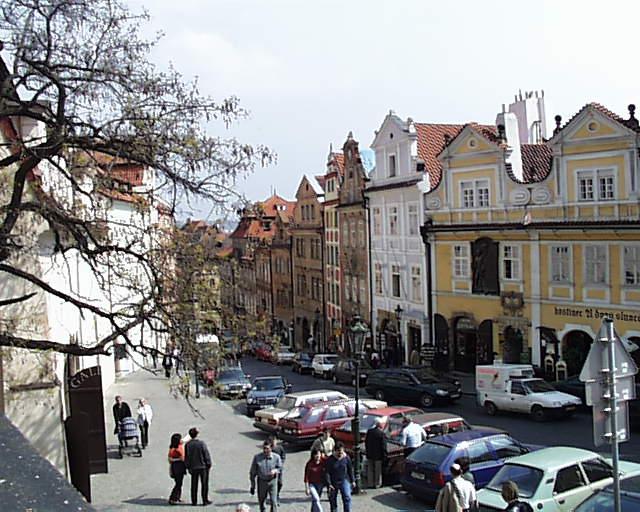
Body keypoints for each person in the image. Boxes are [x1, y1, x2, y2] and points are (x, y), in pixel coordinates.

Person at [250, 440, 282, 512]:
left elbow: (280, 467)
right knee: (262, 502)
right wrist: (253, 486)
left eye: (267, 448)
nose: (265, 450)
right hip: (262, 482)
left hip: (272, 482)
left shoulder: (276, 457)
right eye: (264, 448)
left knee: (273, 502)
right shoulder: (257, 457)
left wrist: (275, 470)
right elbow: (252, 472)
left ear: (271, 448)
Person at [184, 427, 212, 506]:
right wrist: (209, 463)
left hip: (193, 467)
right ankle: (205, 500)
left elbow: (187, 457)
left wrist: (187, 467)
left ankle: (194, 501)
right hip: (203, 466)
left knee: (194, 484)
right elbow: (206, 454)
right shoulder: (201, 443)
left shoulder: (187, 445)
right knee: (204, 484)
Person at [325, 442, 354, 512]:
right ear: (335, 451)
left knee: (347, 497)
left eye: (341, 452)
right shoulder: (330, 460)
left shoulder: (346, 458)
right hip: (333, 481)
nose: (340, 454)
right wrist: (329, 484)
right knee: (332, 499)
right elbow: (327, 472)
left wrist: (352, 480)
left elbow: (350, 469)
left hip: (344, 480)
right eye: (339, 452)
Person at [364, 417, 386, 489]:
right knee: (377, 470)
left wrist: (367, 451)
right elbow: (383, 446)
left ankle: (370, 483)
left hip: (370, 454)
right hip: (378, 455)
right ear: (379, 424)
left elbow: (366, 442)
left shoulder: (369, 432)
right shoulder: (381, 433)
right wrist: (384, 455)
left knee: (370, 470)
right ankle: (377, 484)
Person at [168, 433, 186, 505]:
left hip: (178, 467)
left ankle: (177, 497)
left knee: (179, 483)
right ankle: (172, 498)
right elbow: (170, 459)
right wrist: (179, 459)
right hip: (177, 467)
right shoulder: (174, 449)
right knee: (178, 483)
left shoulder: (178, 446)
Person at [268, 436, 286, 504]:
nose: (274, 442)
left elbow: (283, 456)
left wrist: (281, 462)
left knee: (280, 483)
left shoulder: (280, 448)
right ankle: (273, 497)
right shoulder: (269, 449)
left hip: (279, 469)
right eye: (272, 441)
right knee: (271, 484)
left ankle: (277, 494)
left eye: (274, 441)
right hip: (271, 469)